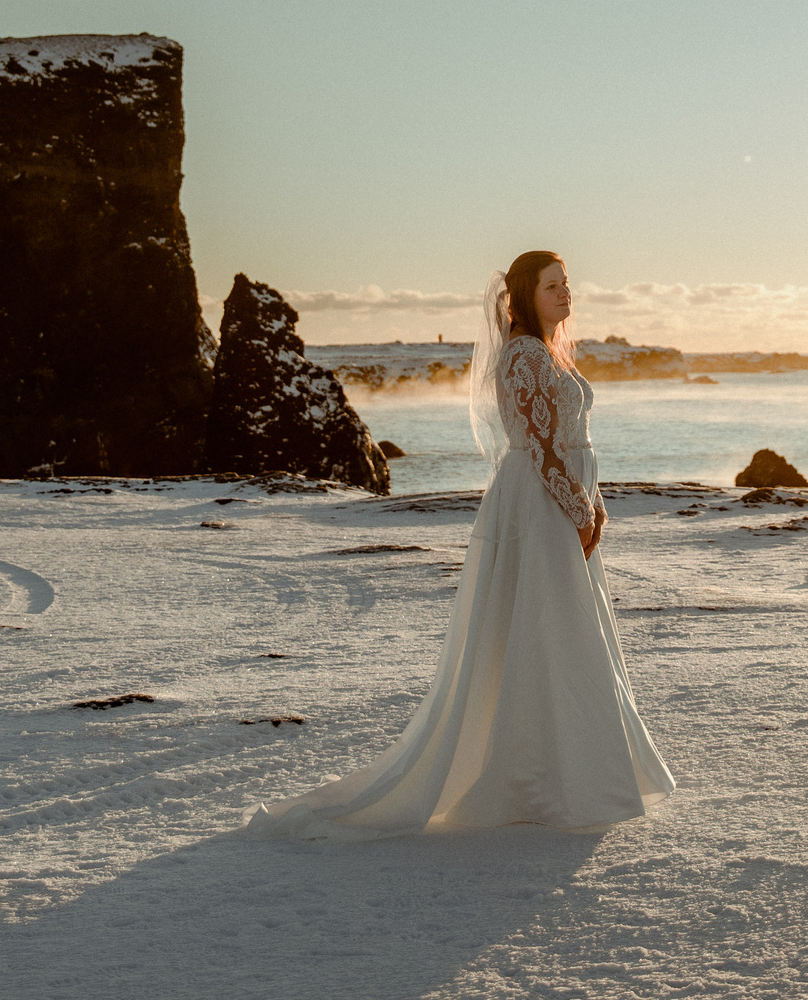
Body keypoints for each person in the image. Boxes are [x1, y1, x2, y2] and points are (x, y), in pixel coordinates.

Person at [245, 250, 676, 839]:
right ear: (526, 296)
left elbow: (571, 441)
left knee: (558, 631)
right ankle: (537, 781)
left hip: (562, 498)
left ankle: (569, 774)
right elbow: (540, 447)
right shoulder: (525, 355)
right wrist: (581, 511)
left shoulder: (546, 351)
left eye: (567, 283)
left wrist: (593, 502)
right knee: (547, 628)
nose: (565, 294)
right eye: (552, 286)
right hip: (542, 505)